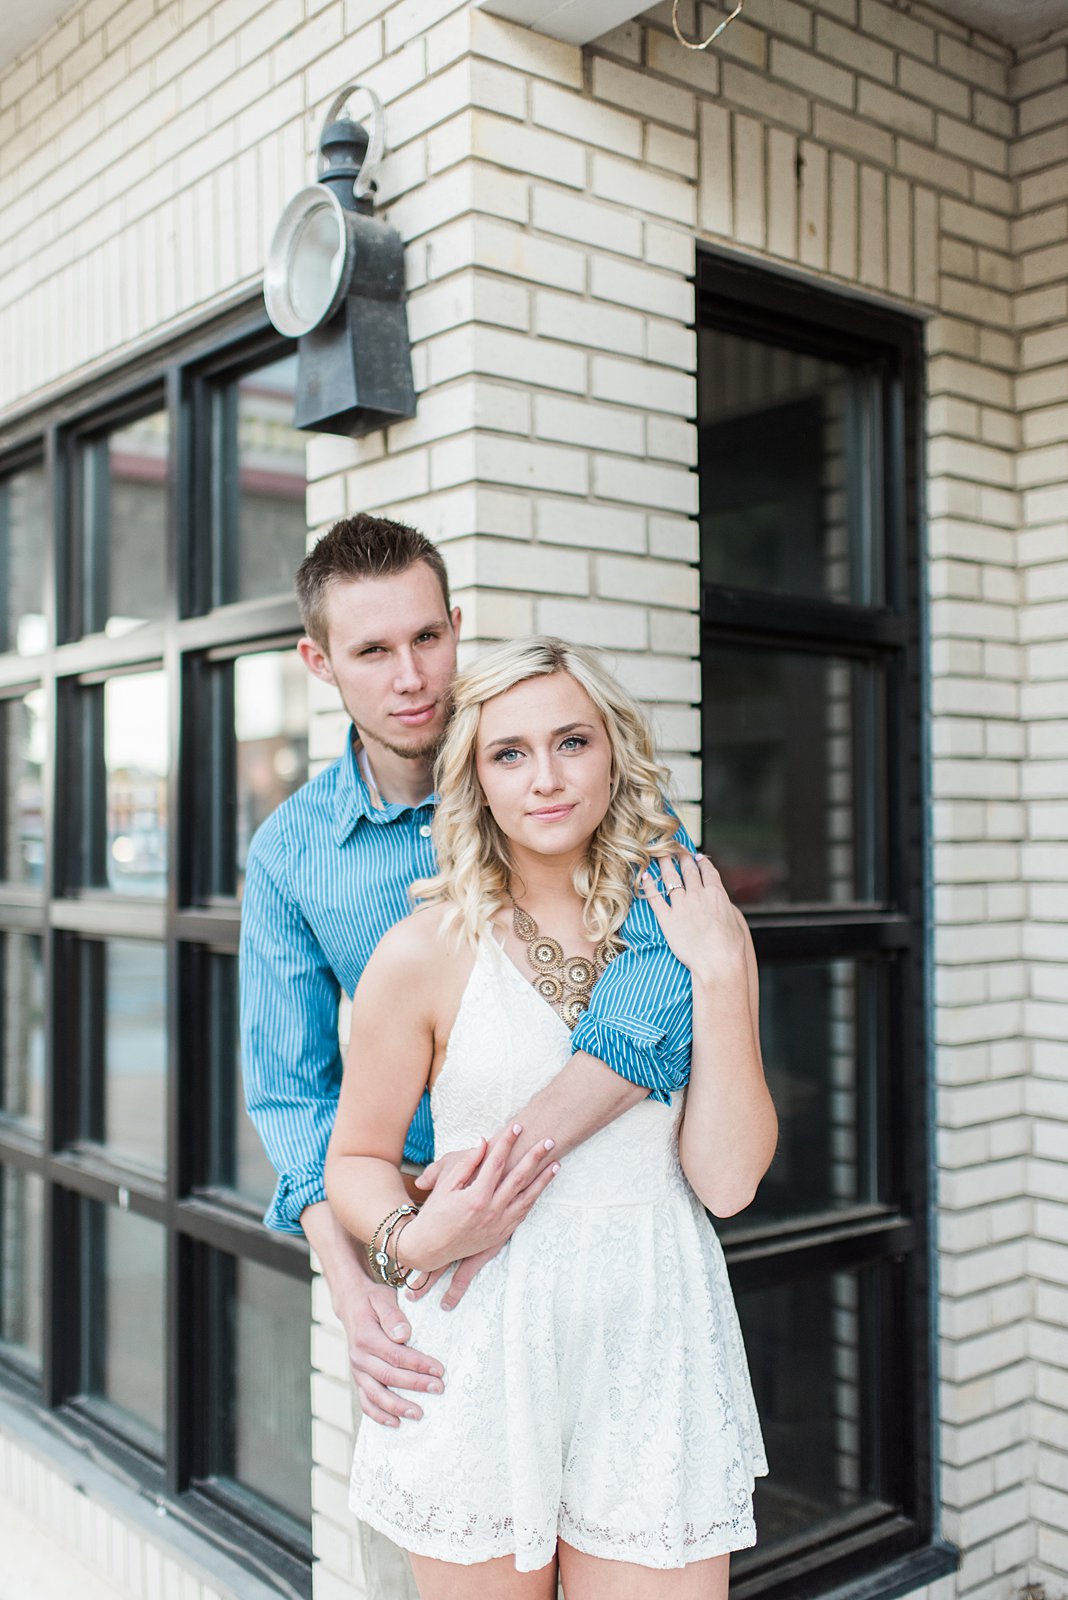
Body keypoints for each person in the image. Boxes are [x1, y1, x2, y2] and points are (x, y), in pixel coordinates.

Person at [239, 517, 755, 1598]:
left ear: (456, 629)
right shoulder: (298, 856)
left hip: (617, 1275)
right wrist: (374, 1266)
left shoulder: (598, 808)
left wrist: (517, 1161)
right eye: (374, 651)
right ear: (319, 661)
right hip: (445, 1281)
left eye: (429, 637)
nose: (413, 674)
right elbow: (299, 1099)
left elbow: (663, 996)